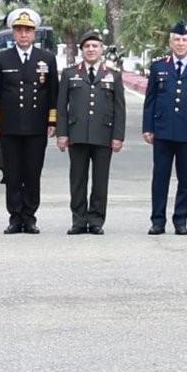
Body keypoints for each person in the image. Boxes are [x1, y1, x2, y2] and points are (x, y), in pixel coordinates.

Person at [0, 4, 59, 232]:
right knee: (12, 173)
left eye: (28, 30)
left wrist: (52, 121)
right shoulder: (2, 59)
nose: (23, 34)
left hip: (36, 127)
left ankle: (30, 216)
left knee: (33, 173)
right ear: (13, 33)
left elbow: (53, 92)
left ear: (34, 33)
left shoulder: (46, 58)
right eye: (19, 30)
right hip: (10, 127)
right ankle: (15, 217)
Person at [141, 24, 187, 232]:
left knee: (186, 179)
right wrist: (148, 127)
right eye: (177, 40)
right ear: (170, 42)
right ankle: (157, 221)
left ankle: (180, 220)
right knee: (160, 178)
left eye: (184, 40)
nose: (180, 44)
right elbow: (151, 100)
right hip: (163, 131)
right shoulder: (159, 67)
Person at [58, 33, 127, 233]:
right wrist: (62, 134)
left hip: (103, 135)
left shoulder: (113, 75)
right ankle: (78, 220)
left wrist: (117, 136)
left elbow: (119, 109)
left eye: (95, 45)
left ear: (101, 49)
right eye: (87, 45)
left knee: (100, 181)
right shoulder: (70, 74)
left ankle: (96, 220)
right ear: (82, 49)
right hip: (77, 134)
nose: (91, 49)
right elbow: (62, 106)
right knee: (77, 180)